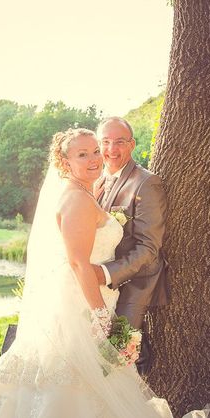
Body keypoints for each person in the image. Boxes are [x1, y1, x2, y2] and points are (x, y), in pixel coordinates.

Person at [0, 128, 173, 418]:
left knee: (76, 371)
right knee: (69, 370)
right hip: (82, 301)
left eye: (95, 151)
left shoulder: (86, 192)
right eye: (82, 154)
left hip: (93, 292)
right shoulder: (77, 200)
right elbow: (78, 263)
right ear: (65, 162)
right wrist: (100, 317)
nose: (94, 159)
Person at [92, 117, 168, 376]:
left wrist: (105, 274)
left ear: (132, 145)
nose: (111, 149)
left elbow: (149, 248)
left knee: (114, 354)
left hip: (136, 280)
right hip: (99, 278)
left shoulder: (146, 183)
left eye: (120, 142)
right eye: (105, 142)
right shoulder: (95, 181)